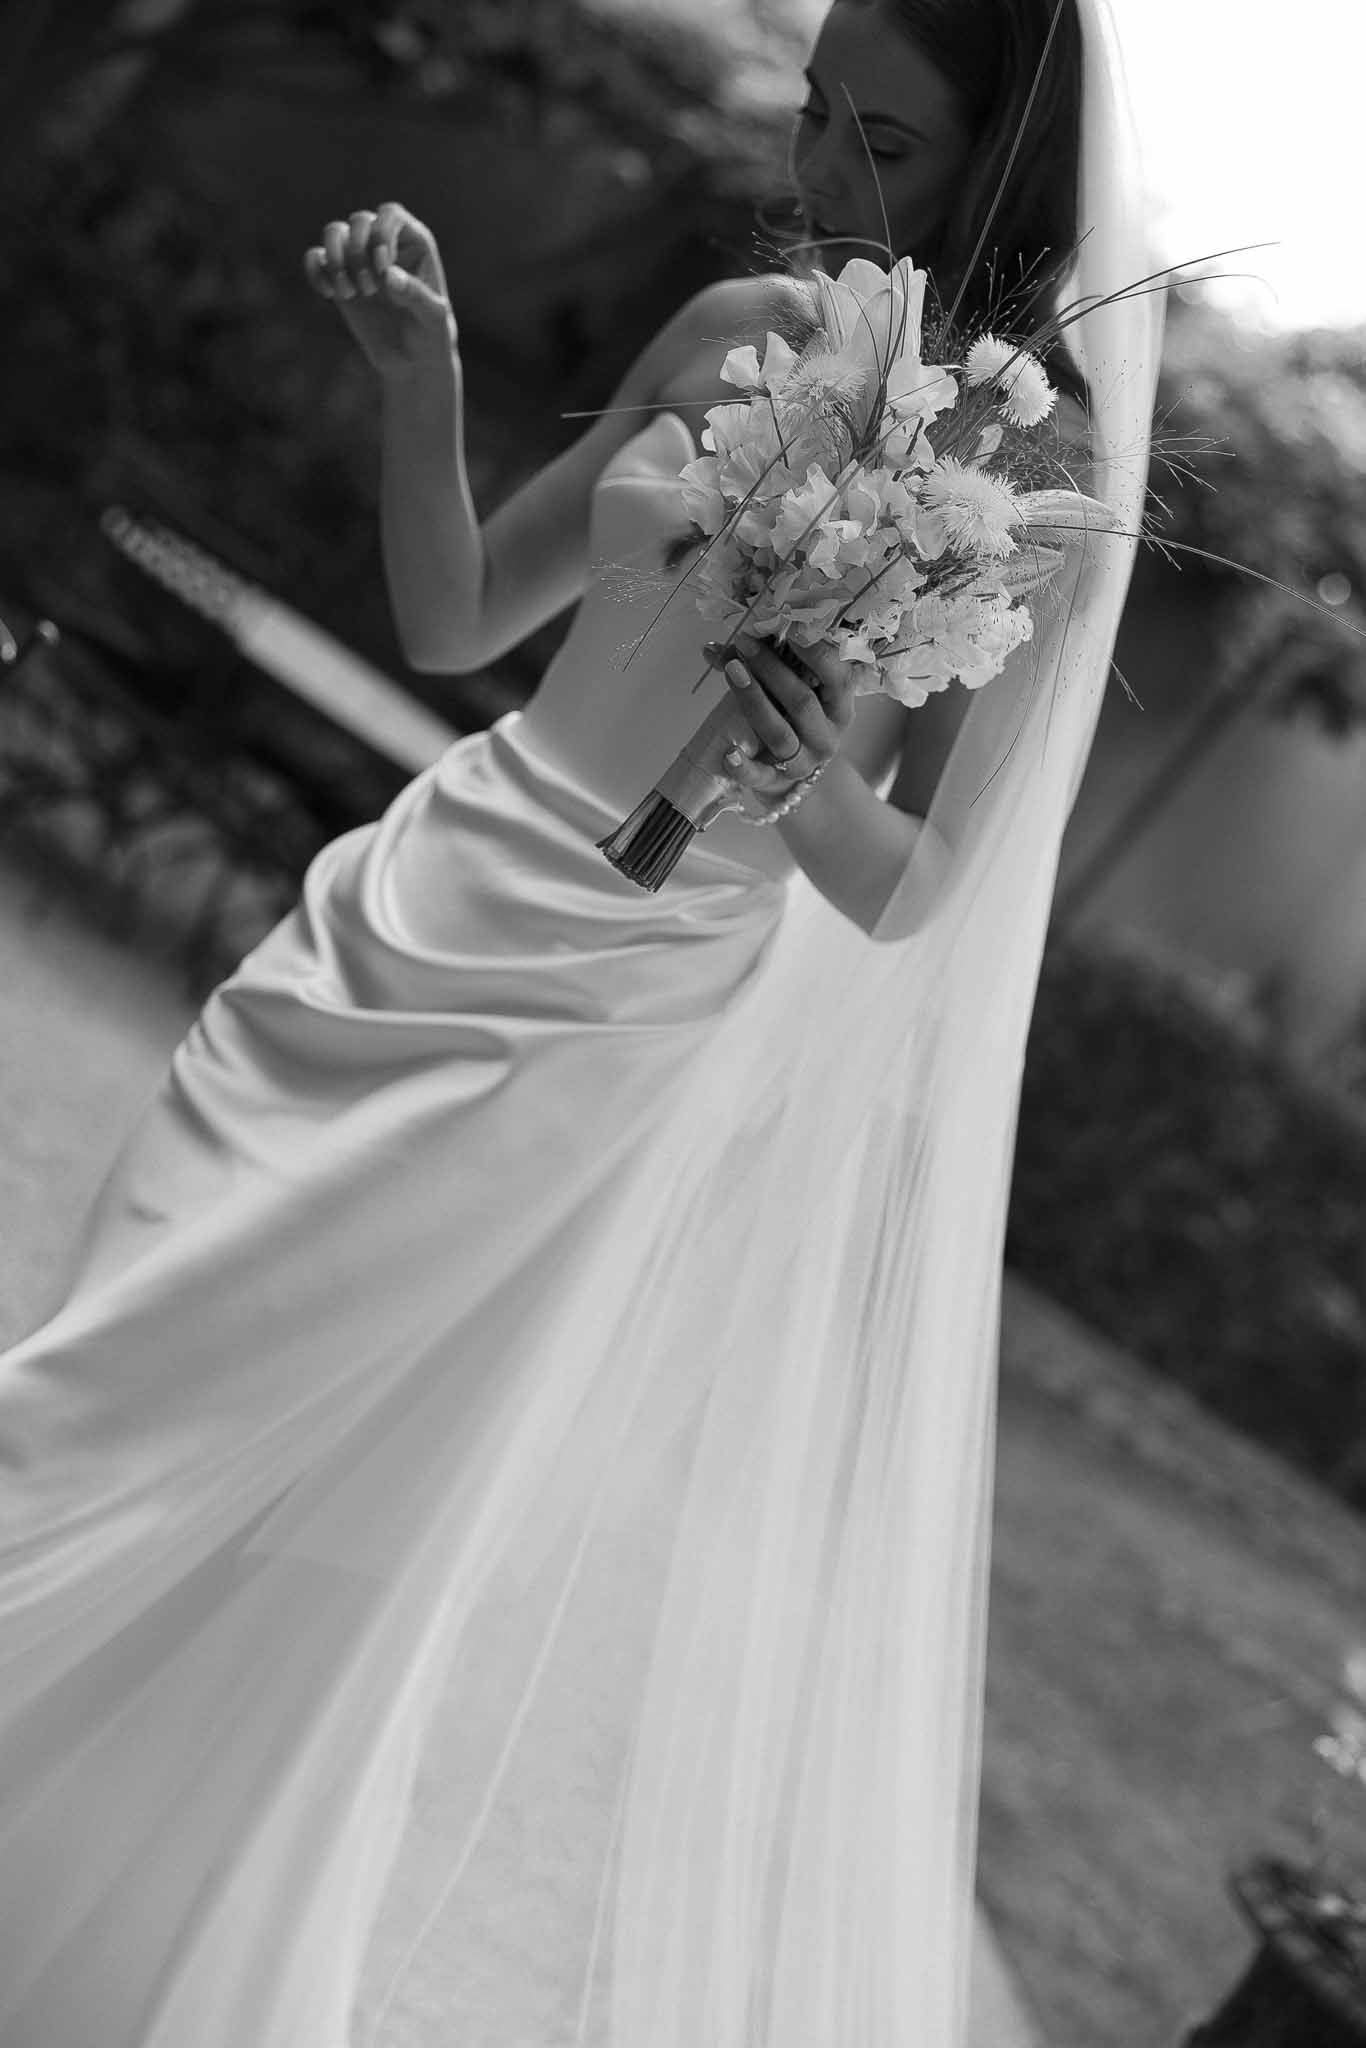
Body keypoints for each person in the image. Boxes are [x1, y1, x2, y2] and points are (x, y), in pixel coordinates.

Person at [0, 2, 1158, 2043]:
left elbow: (920, 904)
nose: (811, 177)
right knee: (131, 1341)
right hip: (423, 894)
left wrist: (805, 775)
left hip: (598, 1013)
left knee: (306, 1501)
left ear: (1002, 167)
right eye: (807, 112)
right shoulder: (728, 322)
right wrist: (418, 383)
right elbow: (459, 623)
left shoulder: (1033, 480)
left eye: (873, 139)